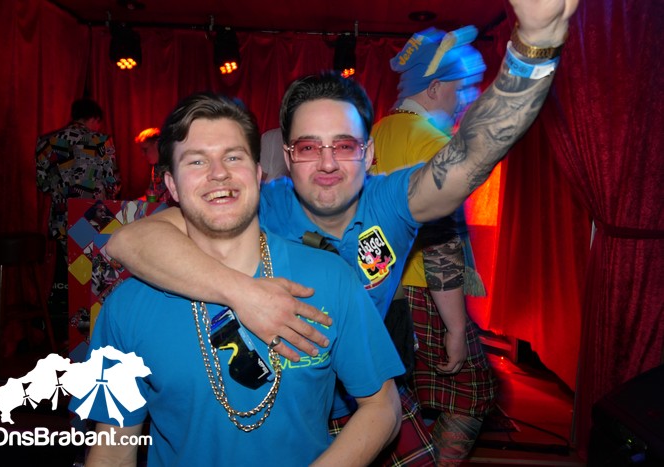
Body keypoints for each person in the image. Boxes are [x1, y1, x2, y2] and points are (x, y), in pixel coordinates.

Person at [106, 1, 578, 464]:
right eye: (309, 147)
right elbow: (129, 241)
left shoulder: (391, 201)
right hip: (285, 399)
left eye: (345, 145)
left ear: (369, 153)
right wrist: (243, 294)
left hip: (363, 392)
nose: (328, 163)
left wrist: (534, 47)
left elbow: (471, 155)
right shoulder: (254, 203)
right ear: (287, 157)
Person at [70, 93, 404, 466]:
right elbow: (112, 450)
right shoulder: (126, 307)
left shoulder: (329, 277)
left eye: (233, 157)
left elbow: (383, 406)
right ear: (172, 185)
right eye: (197, 161)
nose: (219, 173)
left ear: (259, 174)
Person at [370, 25, 497, 465]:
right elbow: (441, 240)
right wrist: (456, 327)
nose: (468, 98)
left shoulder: (377, 131)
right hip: (425, 292)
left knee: (389, 400)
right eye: (463, 88)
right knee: (472, 393)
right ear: (435, 86)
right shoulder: (433, 141)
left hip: (382, 293)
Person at [36, 98, 121, 257]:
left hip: (62, 218)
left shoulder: (45, 142)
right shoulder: (101, 140)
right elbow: (112, 182)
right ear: (94, 118)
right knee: (92, 266)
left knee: (71, 265)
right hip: (92, 215)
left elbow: (42, 184)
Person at [134, 127, 171, 202]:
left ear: (157, 145)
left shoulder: (174, 165)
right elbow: (152, 195)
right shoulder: (156, 167)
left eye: (145, 149)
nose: (143, 154)